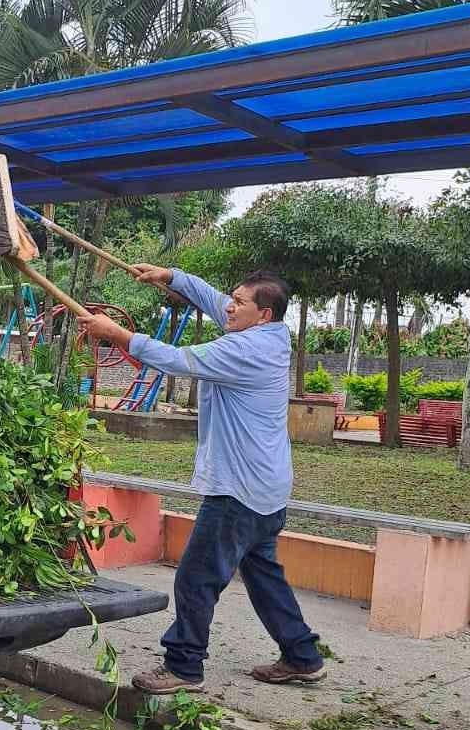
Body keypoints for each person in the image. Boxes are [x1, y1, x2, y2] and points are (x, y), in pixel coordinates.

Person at [84, 264, 325, 695]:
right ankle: (302, 656)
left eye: (239, 303)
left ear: (263, 314)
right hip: (266, 488)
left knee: (196, 577)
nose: (228, 307)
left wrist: (118, 335)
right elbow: (212, 297)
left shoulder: (245, 350)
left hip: (238, 491)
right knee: (264, 576)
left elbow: (180, 360)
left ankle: (184, 667)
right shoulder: (270, 332)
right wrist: (170, 277)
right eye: (232, 298)